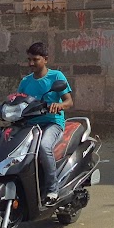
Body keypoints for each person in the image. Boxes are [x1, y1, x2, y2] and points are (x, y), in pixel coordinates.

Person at [17, 42, 72, 206]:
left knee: (43, 146)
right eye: (29, 59)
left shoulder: (56, 77)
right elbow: (17, 101)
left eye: (35, 59)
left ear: (45, 59)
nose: (31, 63)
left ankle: (52, 189)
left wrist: (59, 105)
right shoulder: (25, 81)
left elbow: (69, 102)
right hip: (30, 125)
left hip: (52, 123)